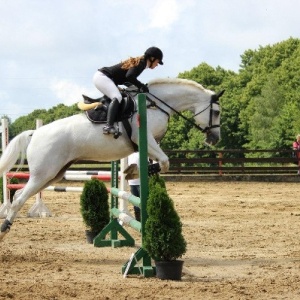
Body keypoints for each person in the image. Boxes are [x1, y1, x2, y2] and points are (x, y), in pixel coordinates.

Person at [93, 47, 164, 135]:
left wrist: (138, 87)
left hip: (106, 78)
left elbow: (127, 79)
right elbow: (129, 76)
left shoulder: (142, 63)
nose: (157, 65)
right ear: (152, 58)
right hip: (103, 77)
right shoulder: (141, 63)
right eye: (157, 62)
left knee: (122, 96)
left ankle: (105, 109)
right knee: (117, 97)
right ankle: (108, 126)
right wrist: (140, 85)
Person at [127, 152, 141, 221]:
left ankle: (144, 218)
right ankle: (138, 219)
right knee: (135, 202)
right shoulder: (129, 154)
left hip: (141, 181)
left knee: (142, 200)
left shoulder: (143, 152)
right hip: (132, 182)